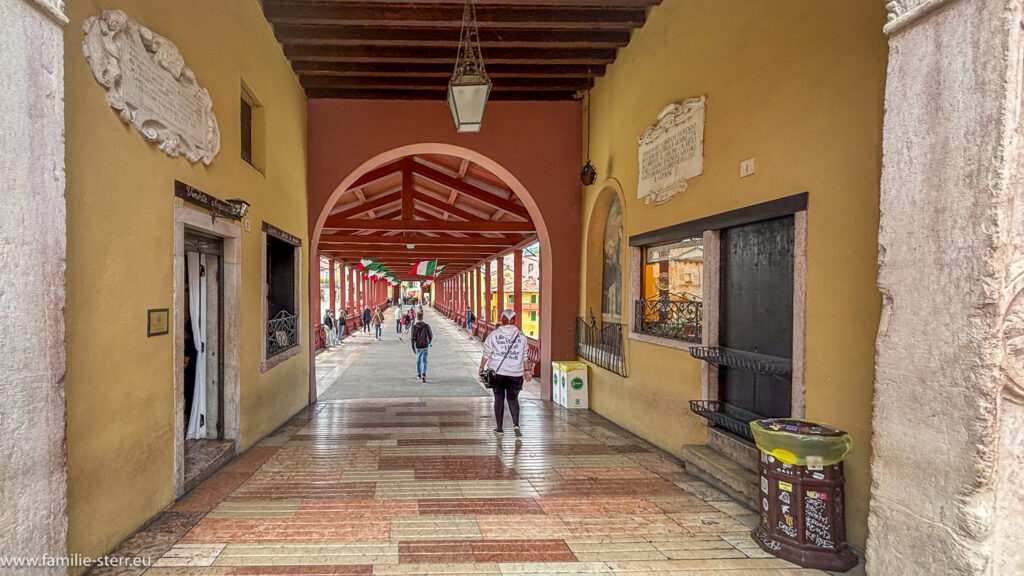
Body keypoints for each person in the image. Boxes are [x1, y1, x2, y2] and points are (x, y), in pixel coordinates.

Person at [479, 310, 531, 439]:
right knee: (513, 399)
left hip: (498, 373)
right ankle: (516, 424)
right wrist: (526, 370)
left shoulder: (494, 335)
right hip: (516, 373)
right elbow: (525, 355)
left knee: (499, 399)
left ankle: (499, 428)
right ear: (514, 320)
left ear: (502, 320)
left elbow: (487, 353)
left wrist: (481, 367)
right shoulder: (521, 336)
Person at [411, 311, 433, 382]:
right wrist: (429, 342)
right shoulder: (426, 326)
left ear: (417, 318)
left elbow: (412, 338)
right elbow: (431, 335)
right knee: (424, 360)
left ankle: (418, 374)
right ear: (422, 318)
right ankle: (423, 373)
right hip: (425, 345)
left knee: (418, 360)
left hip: (418, 345)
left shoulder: (414, 327)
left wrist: (413, 347)